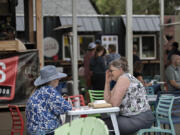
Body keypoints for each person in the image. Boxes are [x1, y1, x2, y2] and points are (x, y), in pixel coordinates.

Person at [104, 57, 154, 135]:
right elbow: (107, 100)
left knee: (104, 125)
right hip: (136, 117)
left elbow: (114, 104)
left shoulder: (123, 78)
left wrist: (112, 100)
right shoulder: (122, 79)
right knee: (105, 122)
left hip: (139, 118)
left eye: (111, 71)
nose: (110, 73)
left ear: (120, 70)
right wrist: (107, 82)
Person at [26, 65, 72, 135]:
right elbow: (67, 107)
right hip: (45, 131)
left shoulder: (37, 91)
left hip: (33, 130)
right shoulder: (49, 91)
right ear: (52, 80)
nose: (59, 81)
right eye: (58, 79)